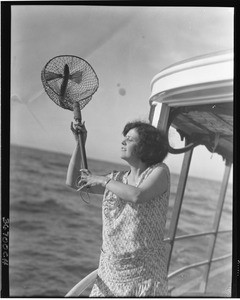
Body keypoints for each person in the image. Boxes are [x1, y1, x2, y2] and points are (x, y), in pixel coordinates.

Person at [66, 120, 170, 297]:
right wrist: (79, 143)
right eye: (125, 138)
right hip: (110, 273)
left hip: (144, 276)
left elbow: (138, 195)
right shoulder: (117, 178)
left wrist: (102, 180)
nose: (123, 142)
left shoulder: (159, 171)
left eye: (130, 139)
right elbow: (73, 181)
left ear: (146, 147)